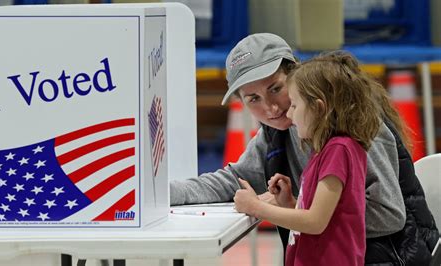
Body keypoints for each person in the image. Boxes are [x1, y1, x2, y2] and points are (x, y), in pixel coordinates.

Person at [170, 33, 438, 264]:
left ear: (296, 75)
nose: (272, 108)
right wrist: (162, 193)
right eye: (253, 99)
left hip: (394, 257)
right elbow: (233, 181)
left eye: (276, 88)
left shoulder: (357, 127)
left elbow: (389, 215)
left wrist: (291, 207)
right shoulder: (277, 132)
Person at [233, 51, 380, 265]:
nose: (289, 114)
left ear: (318, 108)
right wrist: (290, 202)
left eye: (294, 105)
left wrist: (256, 207)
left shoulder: (339, 150)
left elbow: (315, 222)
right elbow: (327, 215)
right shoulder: (323, 150)